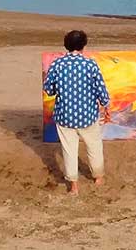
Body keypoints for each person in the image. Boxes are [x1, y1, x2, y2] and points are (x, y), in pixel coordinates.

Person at [42, 30, 112, 195]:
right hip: (88, 115)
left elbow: (48, 90)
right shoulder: (90, 64)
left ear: (66, 45)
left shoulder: (57, 64)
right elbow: (101, 89)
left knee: (69, 150)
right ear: (84, 46)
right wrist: (106, 105)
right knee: (94, 146)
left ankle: (74, 186)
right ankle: (98, 177)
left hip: (65, 115)